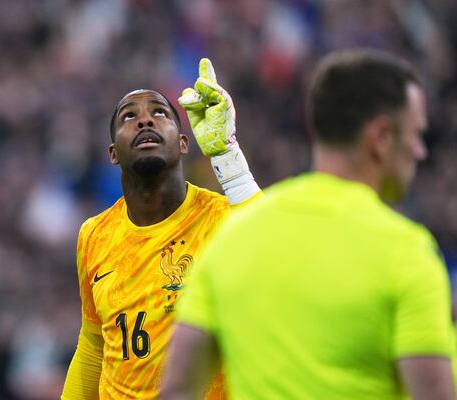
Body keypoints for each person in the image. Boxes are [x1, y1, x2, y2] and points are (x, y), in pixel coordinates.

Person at [162, 49, 456, 400]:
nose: (421, 151)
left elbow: (177, 389)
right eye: (416, 134)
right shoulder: (406, 253)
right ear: (381, 137)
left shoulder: (233, 239)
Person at [61, 58, 262, 399]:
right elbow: (94, 343)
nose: (144, 119)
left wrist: (227, 155)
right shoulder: (94, 235)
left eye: (160, 113)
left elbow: (274, 249)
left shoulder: (221, 218)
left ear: (183, 143)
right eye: (129, 116)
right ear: (113, 153)